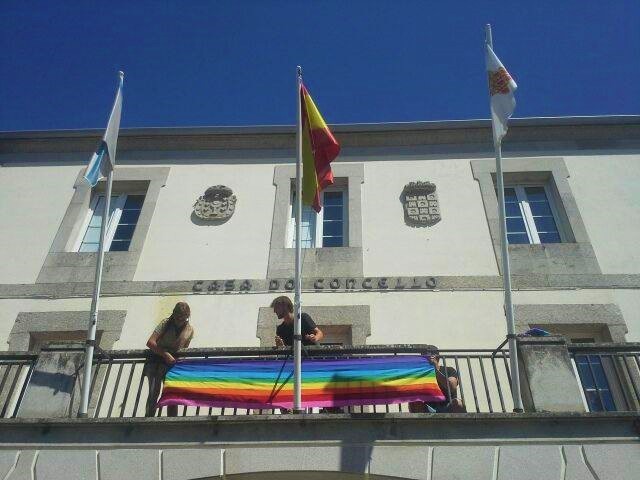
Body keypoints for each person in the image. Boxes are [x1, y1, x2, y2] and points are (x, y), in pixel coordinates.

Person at [143, 301, 194, 417]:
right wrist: (165, 354)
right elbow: (150, 342)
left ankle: (172, 420)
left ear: (187, 317)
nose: (179, 321)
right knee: (154, 392)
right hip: (155, 362)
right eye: (177, 318)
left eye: (182, 318)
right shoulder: (165, 323)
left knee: (172, 395)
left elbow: (184, 350)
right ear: (174, 314)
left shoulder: (190, 330)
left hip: (172, 365)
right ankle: (149, 419)